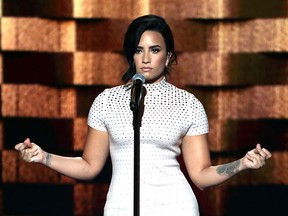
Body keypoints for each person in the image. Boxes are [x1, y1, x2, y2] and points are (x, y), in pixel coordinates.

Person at [15, 15, 272, 216]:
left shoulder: (188, 103)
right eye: (139, 50)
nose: (146, 58)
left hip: (176, 208)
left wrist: (242, 164)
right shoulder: (107, 101)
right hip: (121, 208)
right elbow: (89, 166)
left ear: (169, 56)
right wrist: (43, 156)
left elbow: (201, 176)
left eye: (155, 50)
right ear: (131, 55)